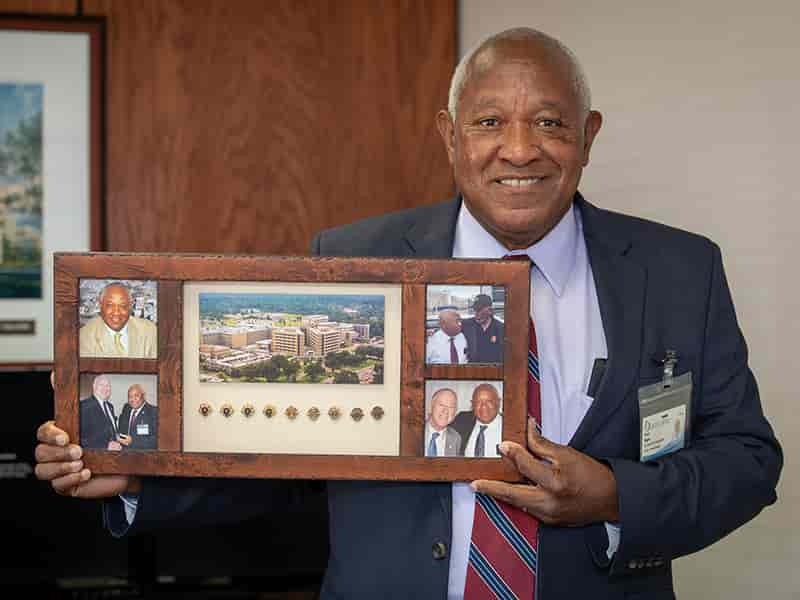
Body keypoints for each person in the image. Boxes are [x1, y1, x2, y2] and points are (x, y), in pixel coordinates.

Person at [35, 27, 782, 598]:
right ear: (449, 135)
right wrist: (137, 479)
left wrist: (616, 496)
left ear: (587, 136)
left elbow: (747, 458)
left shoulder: (681, 270)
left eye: (550, 123)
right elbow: (281, 451)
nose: (519, 150)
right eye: (489, 122)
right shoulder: (355, 259)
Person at [79, 282, 157, 358]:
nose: (116, 312)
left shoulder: (149, 331)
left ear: (130, 306)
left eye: (123, 305)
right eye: (109, 305)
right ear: (100, 305)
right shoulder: (85, 336)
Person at [451, 383, 503, 458]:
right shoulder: (462, 419)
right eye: (478, 402)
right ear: (472, 404)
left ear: (498, 402)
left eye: (489, 401)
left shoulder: (509, 427)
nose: (484, 406)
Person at [78, 375, 122, 451]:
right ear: (94, 386)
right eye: (101, 385)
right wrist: (105, 446)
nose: (105, 388)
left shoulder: (110, 406)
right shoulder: (84, 406)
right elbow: (79, 439)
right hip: (96, 456)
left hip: (114, 455)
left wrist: (118, 439)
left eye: (108, 386)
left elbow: (111, 431)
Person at [461, 293, 504, 363]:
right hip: (473, 369)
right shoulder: (466, 325)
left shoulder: (501, 328)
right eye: (475, 309)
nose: (476, 313)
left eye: (479, 310)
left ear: (490, 310)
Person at [117, 384, 158, 450]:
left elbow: (157, 440)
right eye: (130, 396)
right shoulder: (126, 408)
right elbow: (121, 430)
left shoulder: (153, 411)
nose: (133, 399)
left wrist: (133, 441)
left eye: (136, 395)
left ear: (143, 396)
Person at [424, 388, 463, 457]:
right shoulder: (414, 431)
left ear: (455, 412)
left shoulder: (456, 438)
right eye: (441, 405)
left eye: (451, 407)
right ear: (431, 405)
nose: (445, 411)